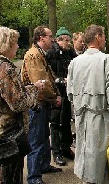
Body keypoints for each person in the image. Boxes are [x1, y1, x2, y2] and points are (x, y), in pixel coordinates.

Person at [0, 26, 44, 184]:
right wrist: (34, 91)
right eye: (15, 43)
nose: (17, 46)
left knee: (4, 174)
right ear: (5, 45)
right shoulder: (5, 68)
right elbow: (18, 103)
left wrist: (29, 88)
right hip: (9, 133)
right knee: (11, 176)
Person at [67, 24, 109, 184]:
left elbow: (69, 93)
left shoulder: (74, 62)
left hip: (81, 117)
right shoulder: (107, 60)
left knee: (85, 153)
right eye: (104, 36)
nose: (105, 40)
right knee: (100, 158)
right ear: (98, 37)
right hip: (100, 117)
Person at [21, 25, 62, 184]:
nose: (52, 39)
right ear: (41, 38)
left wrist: (55, 94)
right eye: (50, 36)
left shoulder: (40, 54)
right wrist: (55, 98)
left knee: (44, 136)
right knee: (36, 140)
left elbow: (48, 78)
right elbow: (41, 84)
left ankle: (43, 166)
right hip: (37, 104)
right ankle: (34, 177)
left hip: (43, 103)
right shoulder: (33, 55)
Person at [46, 27, 76, 166]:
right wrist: (60, 80)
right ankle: (56, 152)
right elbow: (48, 73)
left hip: (67, 92)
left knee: (66, 120)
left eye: (70, 40)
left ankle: (66, 148)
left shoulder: (70, 52)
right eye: (67, 40)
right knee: (55, 122)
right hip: (56, 92)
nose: (69, 43)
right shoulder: (51, 53)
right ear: (59, 40)